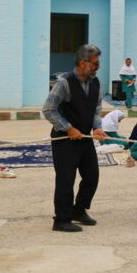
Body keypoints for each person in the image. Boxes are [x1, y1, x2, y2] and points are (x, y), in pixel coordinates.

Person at [42, 44, 106, 232]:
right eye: (95, 63)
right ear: (83, 63)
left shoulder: (96, 82)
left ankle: (79, 210)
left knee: (92, 176)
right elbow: (48, 109)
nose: (98, 67)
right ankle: (61, 220)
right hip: (64, 140)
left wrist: (97, 127)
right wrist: (68, 128)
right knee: (65, 179)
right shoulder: (64, 83)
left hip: (85, 137)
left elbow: (96, 109)